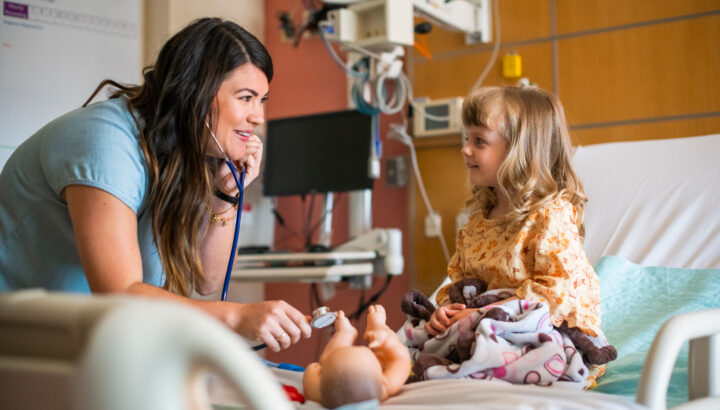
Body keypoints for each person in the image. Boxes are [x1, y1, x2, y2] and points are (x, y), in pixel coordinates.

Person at [0, 18, 311, 352]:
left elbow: (206, 281)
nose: (258, 117)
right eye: (246, 97)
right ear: (196, 93)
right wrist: (235, 318)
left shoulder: (183, 151)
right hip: (21, 342)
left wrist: (226, 194)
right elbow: (119, 293)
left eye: (261, 100)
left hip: (86, 342)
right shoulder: (106, 139)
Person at [426, 85, 606, 350]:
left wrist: (482, 315)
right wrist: (445, 312)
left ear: (519, 151)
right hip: (488, 331)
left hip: (548, 332)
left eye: (479, 141)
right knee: (419, 332)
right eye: (467, 138)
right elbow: (458, 284)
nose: (465, 149)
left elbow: (557, 293)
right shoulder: (476, 225)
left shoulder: (549, 216)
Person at [303, 306, 411, 408]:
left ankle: (345, 334)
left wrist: (320, 368)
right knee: (332, 357)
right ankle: (379, 329)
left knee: (331, 358)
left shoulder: (323, 395)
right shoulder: (382, 390)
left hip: (326, 380)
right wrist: (385, 338)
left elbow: (312, 369)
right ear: (383, 380)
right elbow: (402, 359)